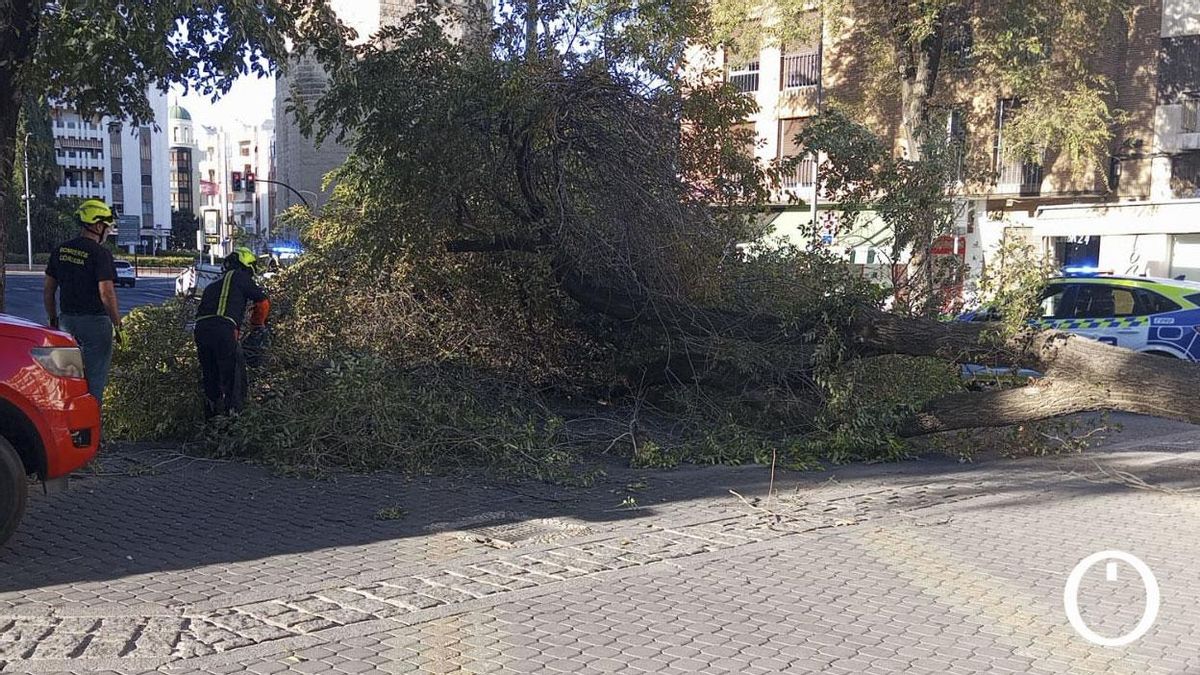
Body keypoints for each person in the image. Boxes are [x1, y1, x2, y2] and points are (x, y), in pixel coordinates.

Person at [43, 199, 123, 405]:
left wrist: (53, 320)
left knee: (66, 382)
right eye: (107, 226)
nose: (107, 231)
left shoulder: (61, 250)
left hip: (66, 324)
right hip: (96, 325)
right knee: (93, 383)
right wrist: (118, 324)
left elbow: (49, 289)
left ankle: (65, 431)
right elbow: (107, 293)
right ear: (97, 225)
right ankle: (90, 433)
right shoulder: (100, 254)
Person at [194, 247, 270, 419]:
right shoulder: (240, 277)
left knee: (210, 376)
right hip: (223, 329)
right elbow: (263, 303)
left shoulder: (213, 286)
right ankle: (233, 420)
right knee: (234, 378)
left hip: (200, 330)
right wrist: (257, 325)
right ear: (247, 266)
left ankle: (212, 421)